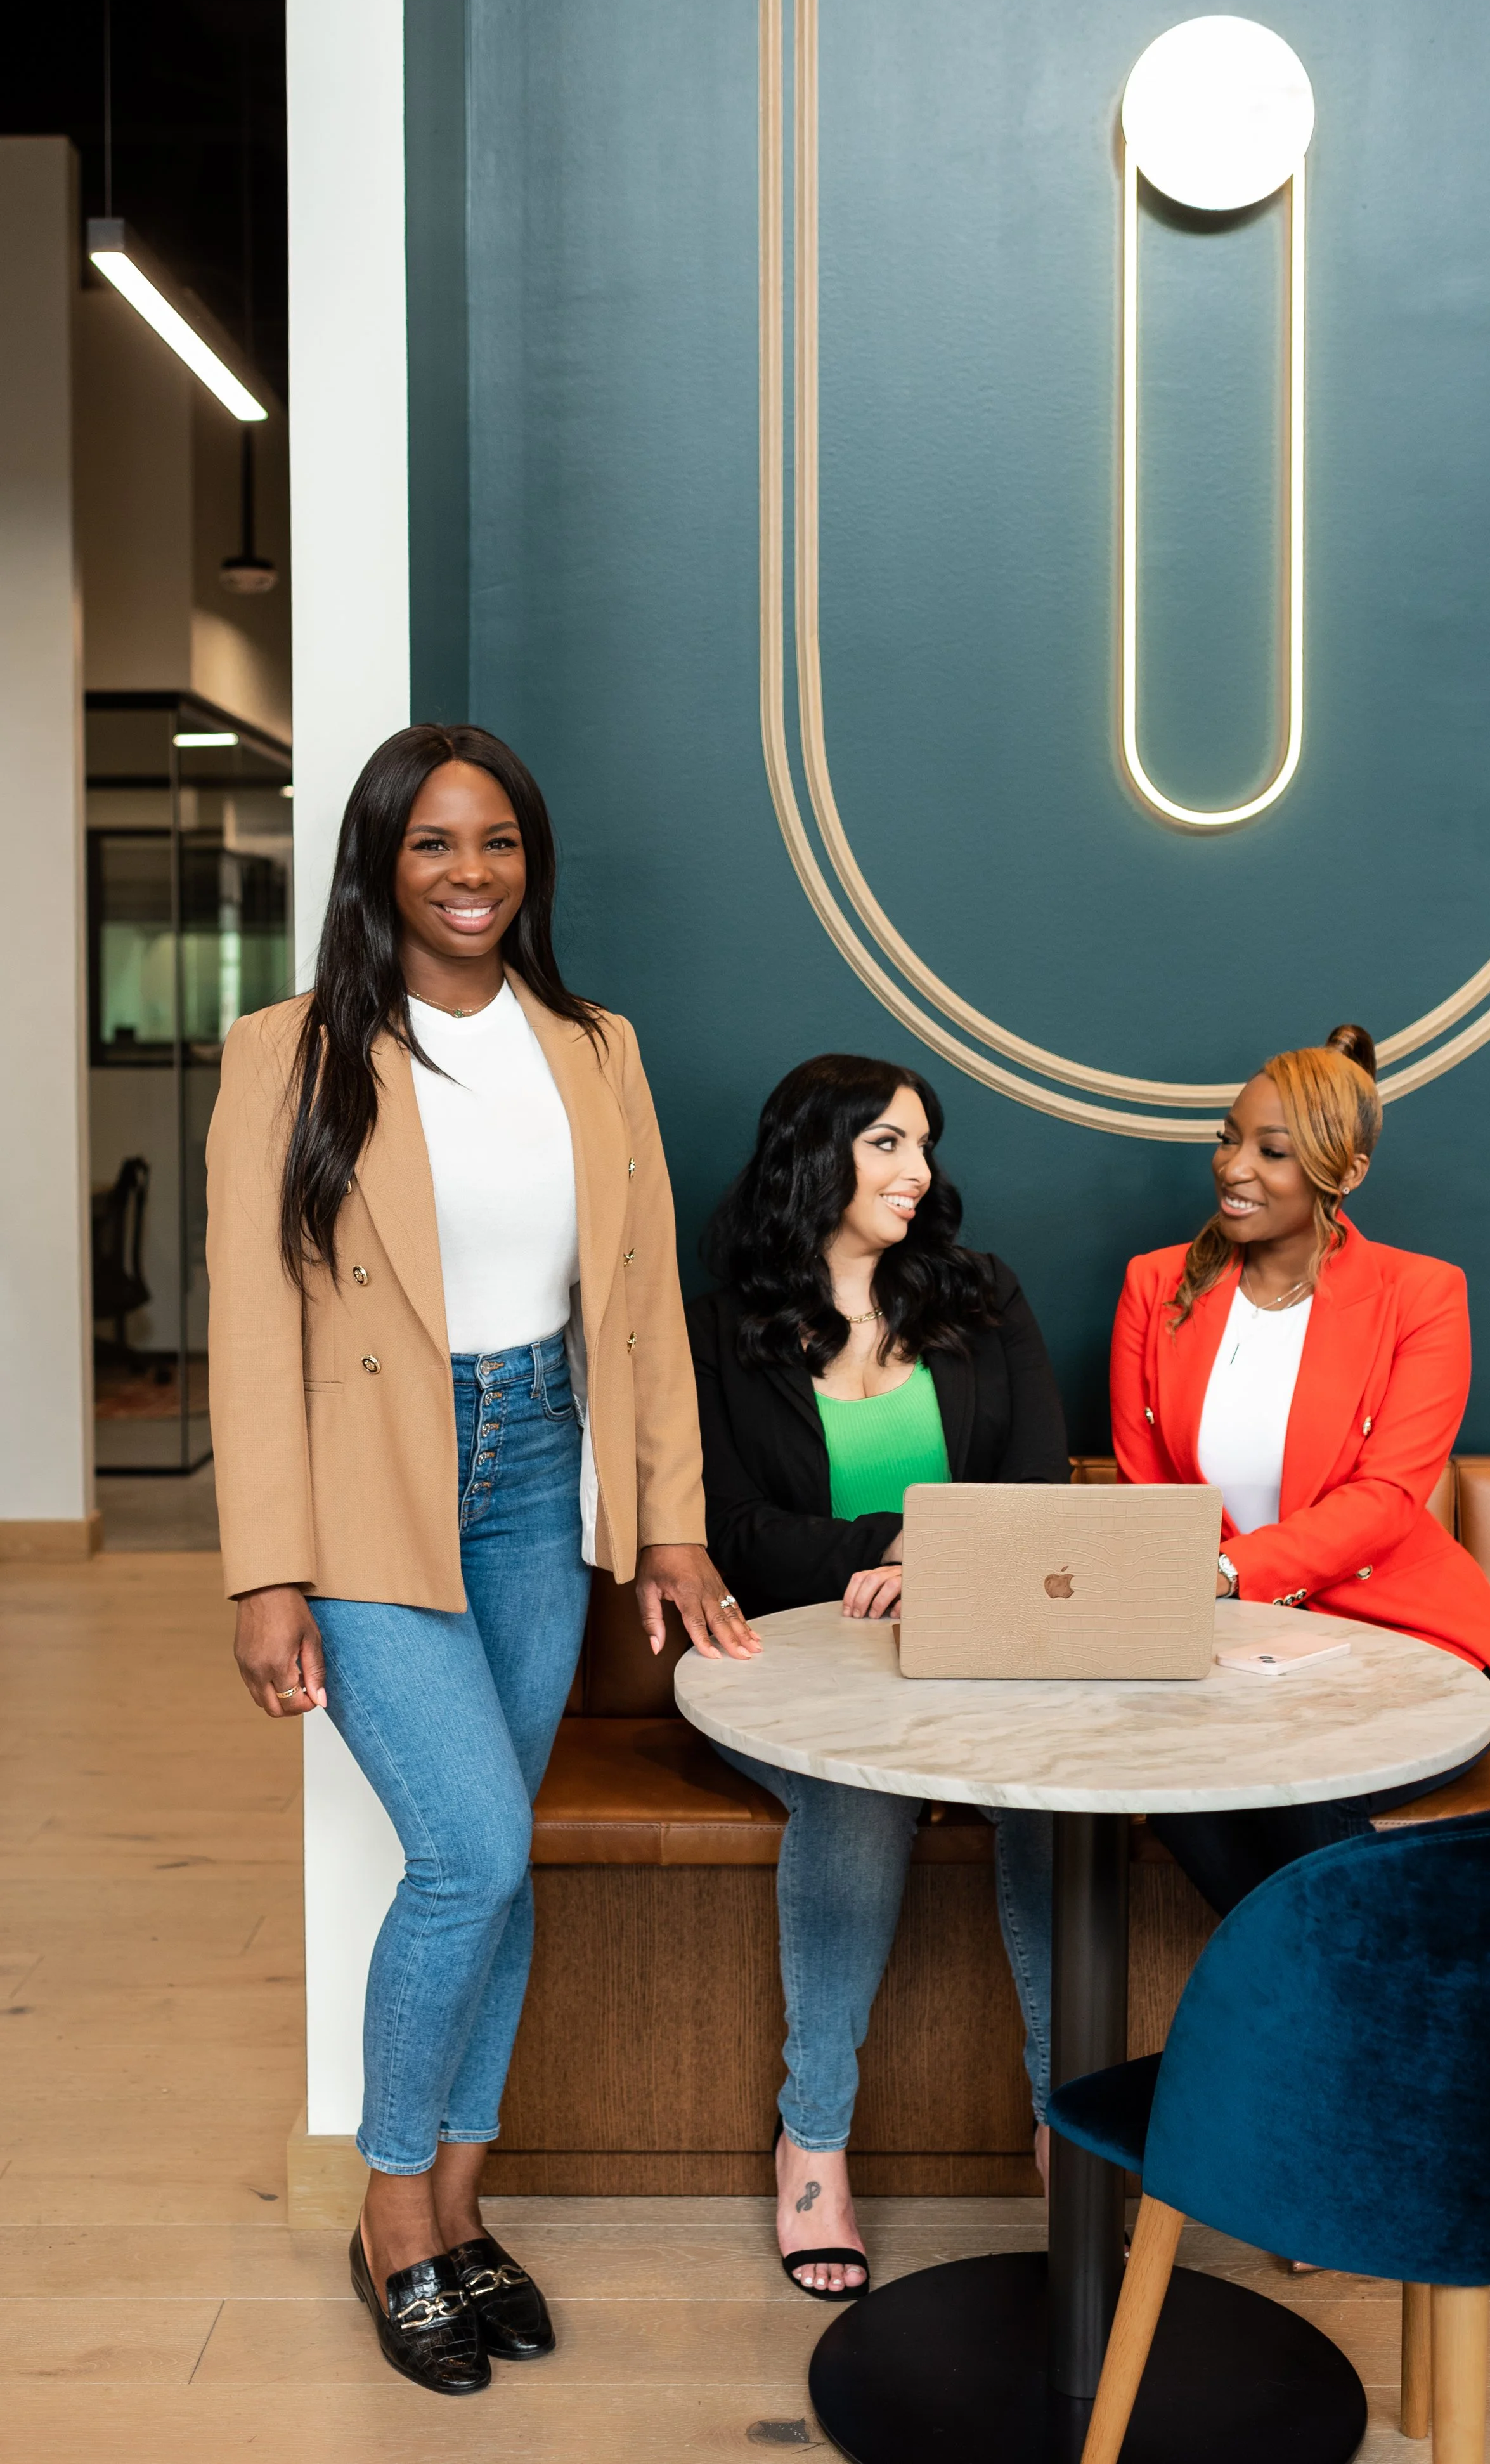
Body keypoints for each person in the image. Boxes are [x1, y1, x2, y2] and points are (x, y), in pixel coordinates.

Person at [207, 723, 758, 2398]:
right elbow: (247, 1322)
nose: (470, 875)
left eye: (498, 842)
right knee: (469, 1856)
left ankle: (460, 2200)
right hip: (374, 1477)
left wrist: (669, 1516)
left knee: (500, 1854)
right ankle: (391, 2213)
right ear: (382, 862)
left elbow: (647, 1298)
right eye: (435, 844)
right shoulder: (286, 1050)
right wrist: (264, 1571)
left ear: (533, 863)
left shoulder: (595, 1048)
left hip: (539, 1475)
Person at [689, 1054, 1068, 2299]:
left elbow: (1033, 1502)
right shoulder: (731, 1327)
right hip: (782, 1668)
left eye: (923, 1147)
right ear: (816, 1154)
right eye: (889, 1146)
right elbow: (727, 1532)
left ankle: (1064, 2129)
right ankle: (815, 2140)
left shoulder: (981, 1298)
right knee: (853, 1793)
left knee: (1048, 1792)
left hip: (973, 1662)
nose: (920, 1172)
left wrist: (942, 1563)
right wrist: (890, 1543)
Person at [1111, 1022, 1490, 1920]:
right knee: (1182, 1787)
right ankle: (1356, 2031)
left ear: (1347, 1170)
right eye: (1227, 1137)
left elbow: (1384, 1501)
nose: (1233, 1167)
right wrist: (1207, 1600)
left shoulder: (1422, 1295)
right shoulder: (1157, 1286)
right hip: (1221, 1652)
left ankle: (1338, 2027)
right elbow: (1149, 1493)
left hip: (1399, 1633)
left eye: (1272, 1152)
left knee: (1298, 1785)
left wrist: (1227, 1575)